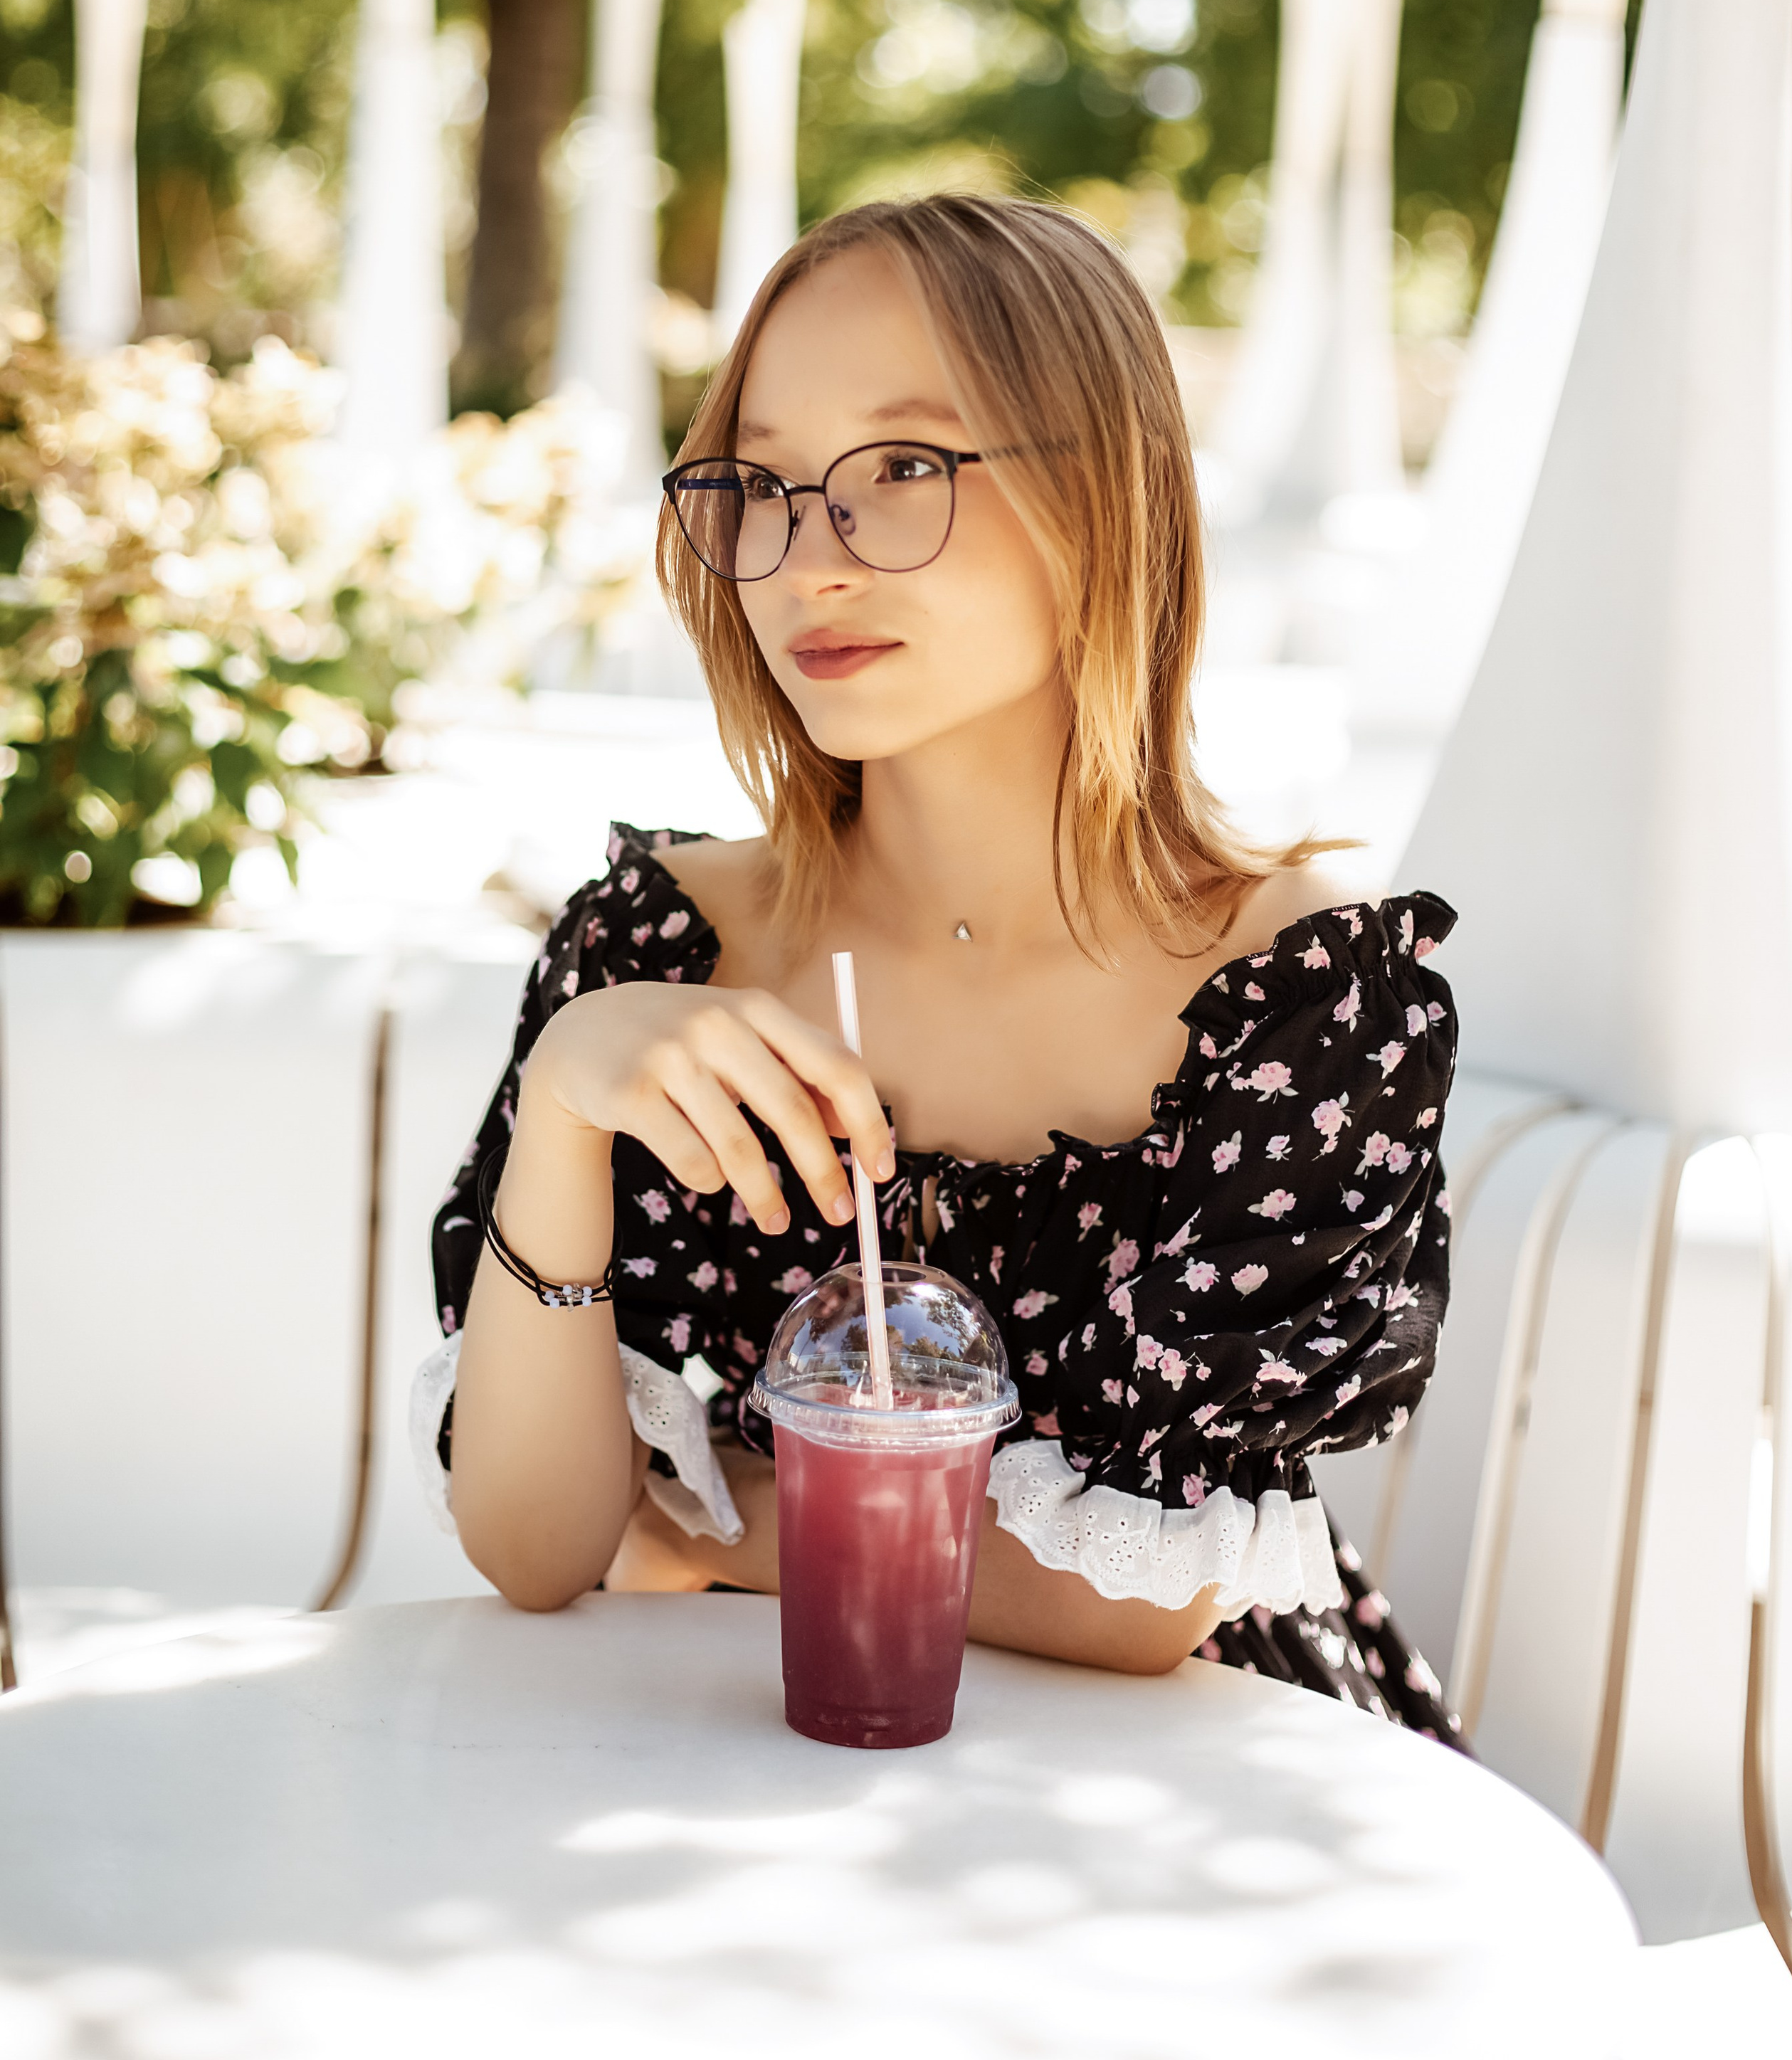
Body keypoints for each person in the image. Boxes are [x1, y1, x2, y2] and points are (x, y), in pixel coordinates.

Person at [415, 194, 1462, 1736]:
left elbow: (1130, 1606)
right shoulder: (654, 951)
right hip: (744, 1752)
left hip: (1200, 1787)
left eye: (902, 468)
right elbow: (532, 1544)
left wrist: (702, 1516)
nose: (805, 563)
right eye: (758, 482)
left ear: (1102, 495)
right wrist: (570, 1096)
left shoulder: (1301, 982)